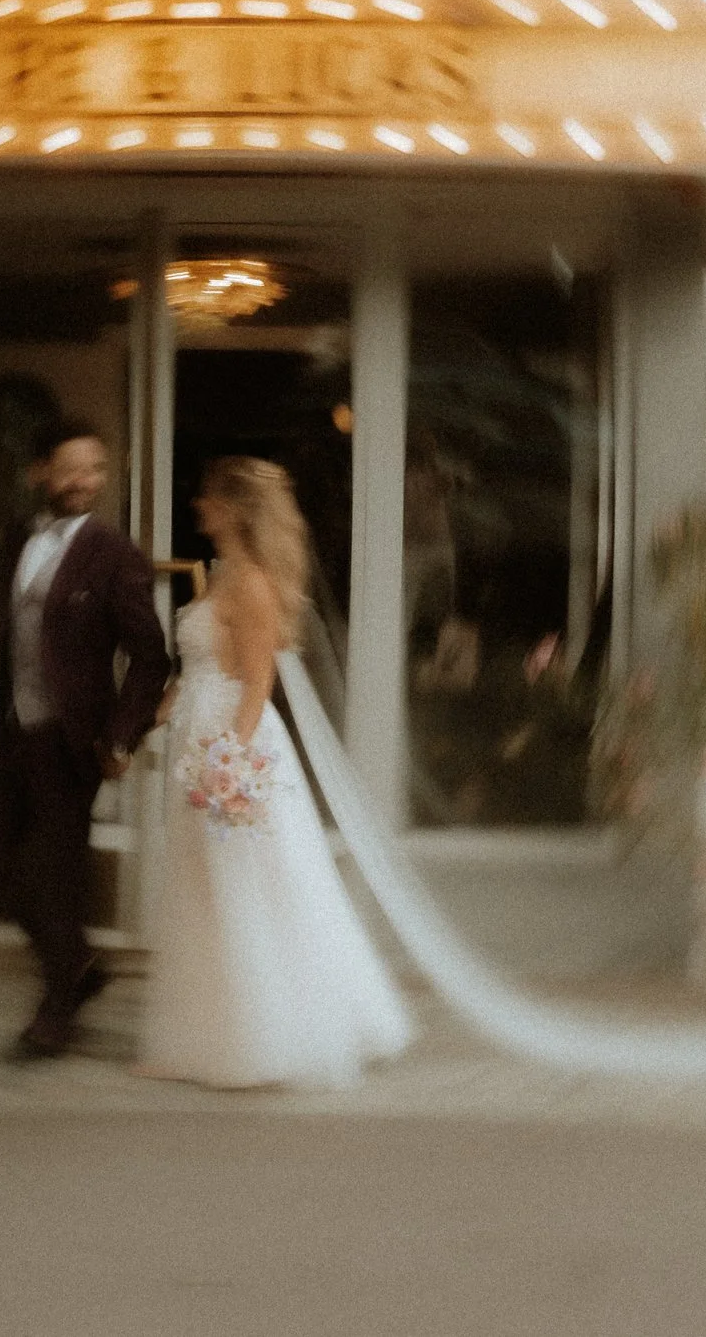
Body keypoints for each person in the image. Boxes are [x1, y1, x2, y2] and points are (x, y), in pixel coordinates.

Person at [139, 456, 414, 1089]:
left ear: (233, 508)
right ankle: (200, 1039)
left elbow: (257, 680)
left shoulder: (253, 583)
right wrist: (151, 721)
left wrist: (230, 764)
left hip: (232, 747)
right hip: (200, 740)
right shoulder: (225, 572)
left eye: (209, 497)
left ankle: (266, 1037)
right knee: (202, 891)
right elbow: (201, 670)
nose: (198, 506)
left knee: (248, 891)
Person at [0, 419, 170, 1062]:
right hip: (13, 732)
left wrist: (120, 737)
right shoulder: (19, 540)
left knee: (54, 874)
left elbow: (151, 657)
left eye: (96, 469)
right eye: (71, 467)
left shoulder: (115, 554)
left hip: (71, 740)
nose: (85, 480)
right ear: (41, 473)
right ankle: (76, 960)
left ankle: (57, 1012)